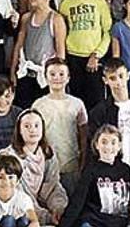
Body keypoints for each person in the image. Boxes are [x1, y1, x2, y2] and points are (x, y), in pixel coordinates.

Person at [44, 125, 130, 227]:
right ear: (96, 145)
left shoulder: (125, 170)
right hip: (90, 224)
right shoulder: (91, 169)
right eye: (104, 142)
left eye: (113, 142)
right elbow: (77, 201)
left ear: (119, 146)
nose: (108, 147)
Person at [0, 109, 68, 226]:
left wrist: (58, 209)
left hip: (43, 209)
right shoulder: (8, 156)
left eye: (36, 125)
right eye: (27, 126)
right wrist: (46, 217)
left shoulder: (48, 154)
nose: (33, 130)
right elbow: (16, 196)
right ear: (19, 130)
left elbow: (53, 186)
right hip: (16, 215)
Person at [59, 0, 112, 111]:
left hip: (94, 58)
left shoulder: (100, 3)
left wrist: (97, 55)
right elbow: (61, 32)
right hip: (73, 58)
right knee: (76, 101)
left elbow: (107, 32)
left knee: (96, 102)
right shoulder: (65, 4)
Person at [31, 58, 88, 193]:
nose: (57, 78)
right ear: (45, 77)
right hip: (46, 165)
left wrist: (83, 162)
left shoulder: (77, 104)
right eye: (52, 74)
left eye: (62, 74)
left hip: (71, 165)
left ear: (68, 78)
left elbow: (84, 136)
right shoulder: (38, 105)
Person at [10, 0, 66, 108]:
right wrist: (13, 71)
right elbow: (19, 45)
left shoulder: (56, 19)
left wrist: (58, 78)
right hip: (25, 74)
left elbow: (60, 52)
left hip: (45, 78)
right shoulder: (26, 18)